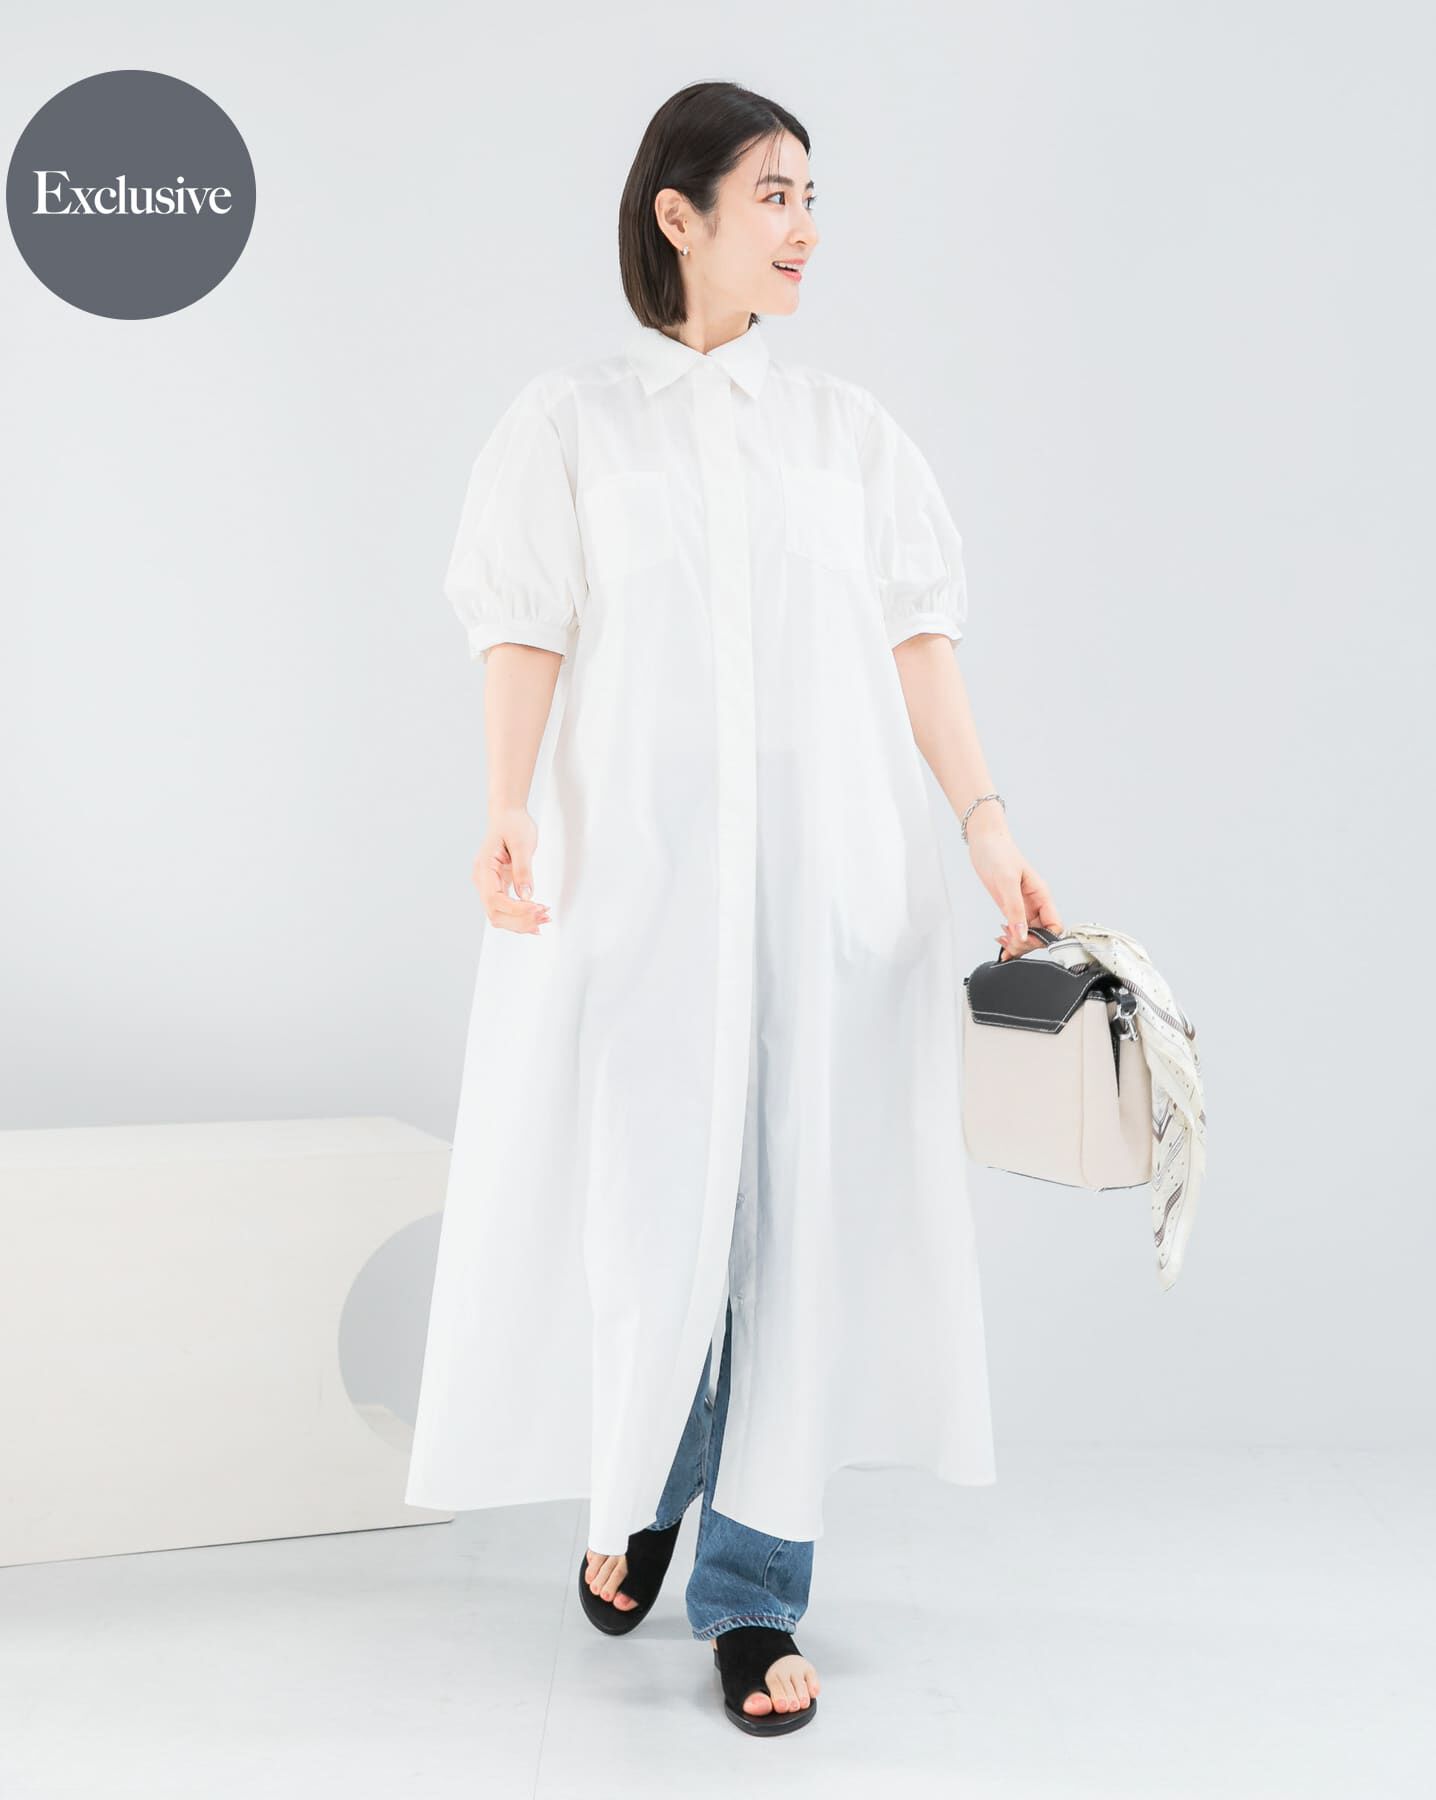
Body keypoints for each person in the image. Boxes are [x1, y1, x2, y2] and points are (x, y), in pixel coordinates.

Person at [405, 80, 1062, 1737]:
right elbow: (525, 627)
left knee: (798, 1223)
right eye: (773, 195)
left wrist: (986, 829)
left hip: (831, 893)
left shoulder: (847, 436)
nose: (805, 229)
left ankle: (753, 1592)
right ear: (676, 214)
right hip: (643, 889)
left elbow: (920, 640)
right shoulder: (572, 425)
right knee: (660, 1211)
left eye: (812, 197)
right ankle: (642, 1482)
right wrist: (503, 802)